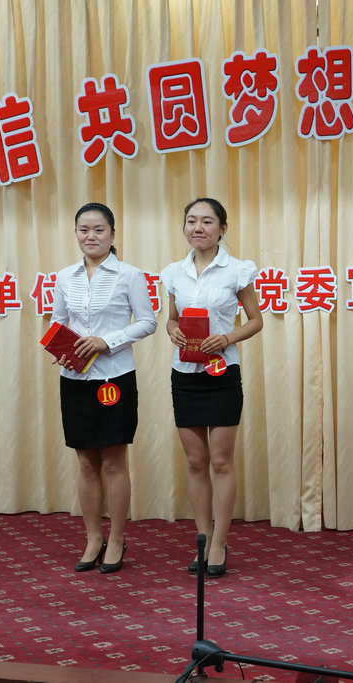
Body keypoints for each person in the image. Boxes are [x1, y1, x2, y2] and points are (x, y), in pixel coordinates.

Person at [51, 202, 157, 574]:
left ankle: (116, 539)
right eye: (84, 229)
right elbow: (58, 322)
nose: (91, 236)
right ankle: (93, 537)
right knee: (85, 463)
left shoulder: (130, 275)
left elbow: (147, 322)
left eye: (99, 230)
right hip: (75, 380)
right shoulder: (64, 277)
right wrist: (62, 352)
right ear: (76, 233)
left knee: (113, 462)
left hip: (114, 377)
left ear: (112, 234)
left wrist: (106, 341)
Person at [161, 198, 263, 577]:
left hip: (222, 374)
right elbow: (171, 318)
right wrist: (172, 330)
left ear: (223, 228)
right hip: (185, 375)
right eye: (192, 221)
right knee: (194, 462)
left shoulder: (237, 270)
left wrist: (227, 337)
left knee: (220, 462)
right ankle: (202, 539)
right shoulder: (174, 272)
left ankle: (220, 542)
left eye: (207, 221)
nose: (198, 228)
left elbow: (255, 320)